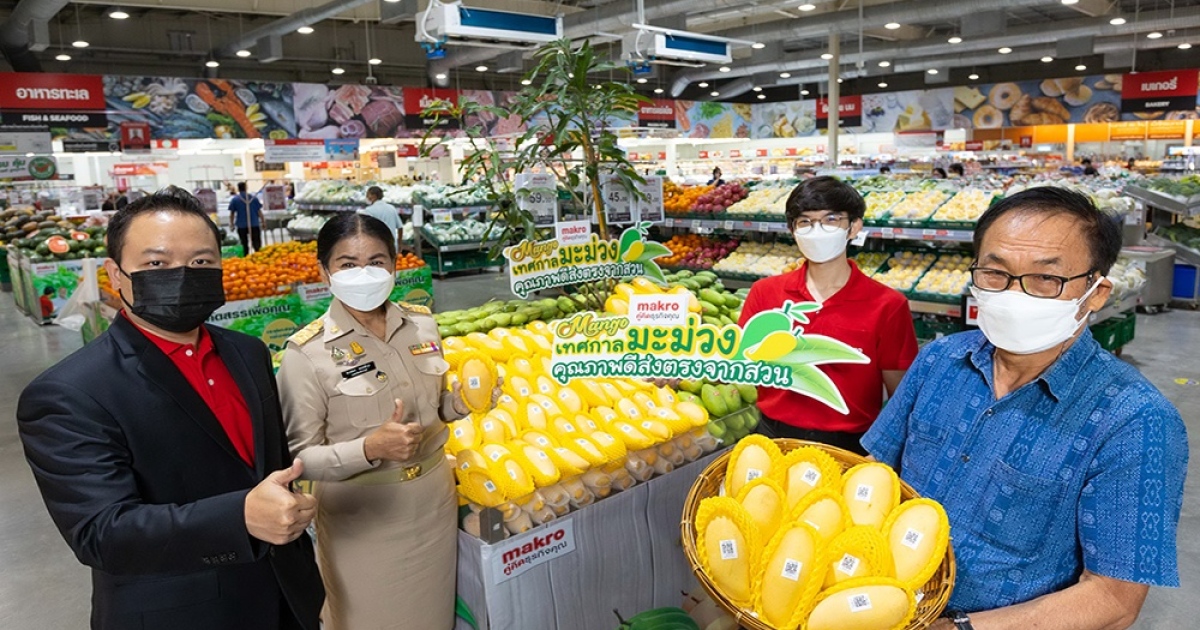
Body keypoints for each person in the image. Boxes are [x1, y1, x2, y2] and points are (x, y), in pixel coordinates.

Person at [863, 187, 1188, 630]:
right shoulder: (940, 360)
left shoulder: (1135, 420)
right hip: (879, 599)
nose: (1015, 294)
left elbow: (1113, 599)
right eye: (995, 273)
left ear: (1096, 293)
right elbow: (876, 467)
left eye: (1045, 279)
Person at [16, 187, 324, 630]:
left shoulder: (248, 353)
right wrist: (238, 517)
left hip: (287, 596)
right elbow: (100, 532)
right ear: (116, 274)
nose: (182, 275)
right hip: (182, 612)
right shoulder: (69, 392)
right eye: (157, 264)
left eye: (200, 262)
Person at [277, 213, 494, 629]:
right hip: (363, 519)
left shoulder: (421, 324)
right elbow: (299, 458)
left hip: (433, 503)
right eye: (348, 264)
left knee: (434, 619)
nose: (364, 274)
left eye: (376, 262)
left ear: (394, 266)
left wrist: (460, 403)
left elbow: (432, 409)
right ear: (324, 272)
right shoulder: (306, 354)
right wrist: (368, 449)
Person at [738, 177, 918, 455]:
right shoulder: (765, 293)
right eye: (805, 222)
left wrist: (884, 453)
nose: (817, 230)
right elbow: (739, 366)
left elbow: (902, 397)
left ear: (854, 227)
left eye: (831, 220)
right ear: (793, 230)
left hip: (851, 446)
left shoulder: (888, 305)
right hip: (773, 439)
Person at [359, 185, 401, 250]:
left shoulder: (369, 210)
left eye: (368, 195)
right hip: (392, 245)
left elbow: (366, 230)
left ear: (374, 196)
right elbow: (400, 227)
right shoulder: (391, 208)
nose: (367, 197)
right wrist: (399, 243)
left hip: (377, 246)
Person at [229, 182, 265, 256]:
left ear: (238, 189)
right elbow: (259, 211)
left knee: (244, 243)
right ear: (246, 188)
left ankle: (246, 258)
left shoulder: (235, 200)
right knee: (256, 243)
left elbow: (232, 214)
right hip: (254, 223)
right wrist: (263, 222)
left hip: (241, 225)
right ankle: (258, 257)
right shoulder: (253, 198)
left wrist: (232, 224)